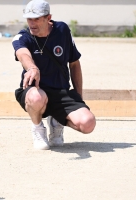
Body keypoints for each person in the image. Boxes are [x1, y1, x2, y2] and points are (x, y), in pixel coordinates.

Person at [12, 0, 96, 150]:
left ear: (48, 17)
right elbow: (22, 53)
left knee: (88, 124)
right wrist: (32, 68)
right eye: (29, 19)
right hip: (35, 91)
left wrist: (78, 96)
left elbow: (74, 63)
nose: (32, 23)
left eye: (36, 19)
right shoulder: (23, 37)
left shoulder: (62, 30)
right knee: (37, 97)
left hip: (61, 92)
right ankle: (38, 129)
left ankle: (57, 120)